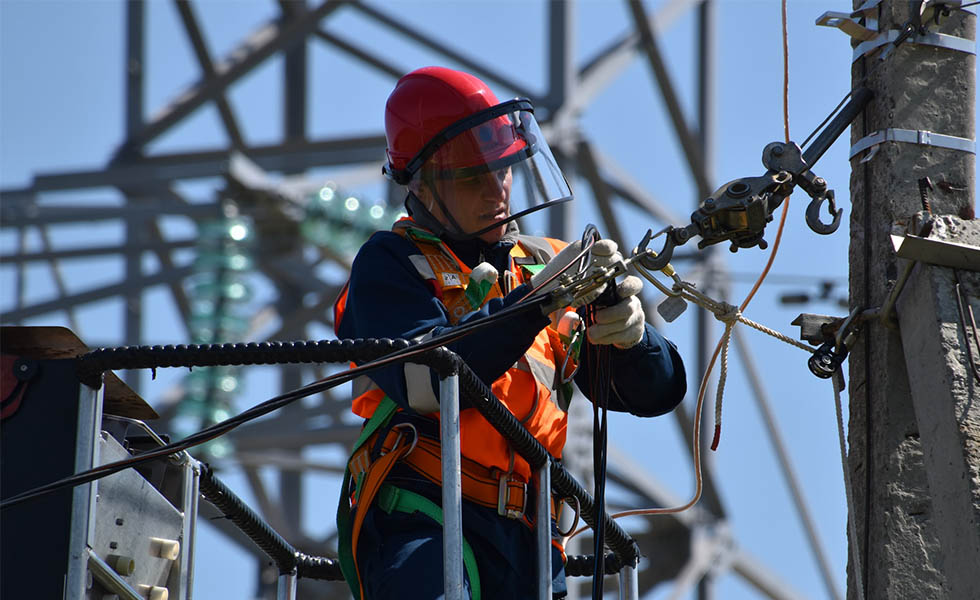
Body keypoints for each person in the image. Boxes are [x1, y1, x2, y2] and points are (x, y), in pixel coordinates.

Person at [334, 66, 686, 599]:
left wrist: (634, 337)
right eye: (473, 177)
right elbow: (426, 384)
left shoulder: (540, 266)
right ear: (424, 184)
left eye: (502, 171)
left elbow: (654, 393)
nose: (496, 191)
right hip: (429, 509)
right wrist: (537, 303)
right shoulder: (391, 262)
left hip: (533, 540)